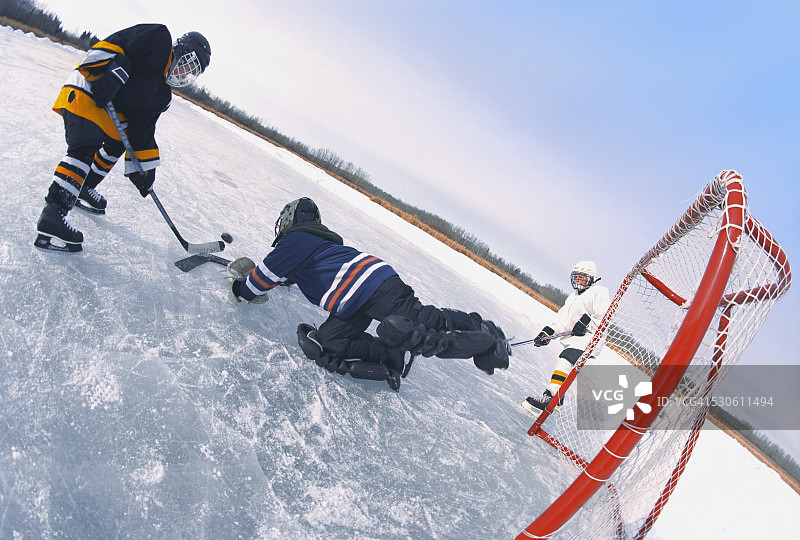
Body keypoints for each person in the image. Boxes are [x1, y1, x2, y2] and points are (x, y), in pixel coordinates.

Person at [227, 197, 511, 391]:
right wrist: (280, 280)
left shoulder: (295, 240)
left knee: (419, 319)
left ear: (291, 219)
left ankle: (476, 326)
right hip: (351, 303)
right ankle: (389, 353)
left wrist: (239, 287)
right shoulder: (310, 243)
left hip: (372, 284)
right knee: (331, 342)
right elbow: (290, 274)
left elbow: (258, 284)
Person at [34, 24, 211, 252]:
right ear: (181, 50)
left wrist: (145, 170)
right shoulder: (158, 38)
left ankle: (85, 186)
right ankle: (53, 215)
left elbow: (141, 131)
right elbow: (117, 43)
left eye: (191, 72)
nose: (184, 74)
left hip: (107, 112)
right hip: (90, 88)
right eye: (188, 64)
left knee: (116, 144)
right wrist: (112, 68)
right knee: (85, 147)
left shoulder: (161, 95)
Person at [521, 260, 611, 414]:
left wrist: (586, 324)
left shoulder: (599, 291)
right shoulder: (572, 298)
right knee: (564, 360)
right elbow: (562, 322)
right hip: (576, 340)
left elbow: (605, 316)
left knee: (566, 357)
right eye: (577, 277)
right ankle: (555, 398)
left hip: (591, 339)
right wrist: (548, 333)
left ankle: (554, 397)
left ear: (592, 278)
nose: (579, 280)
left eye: (583, 277)